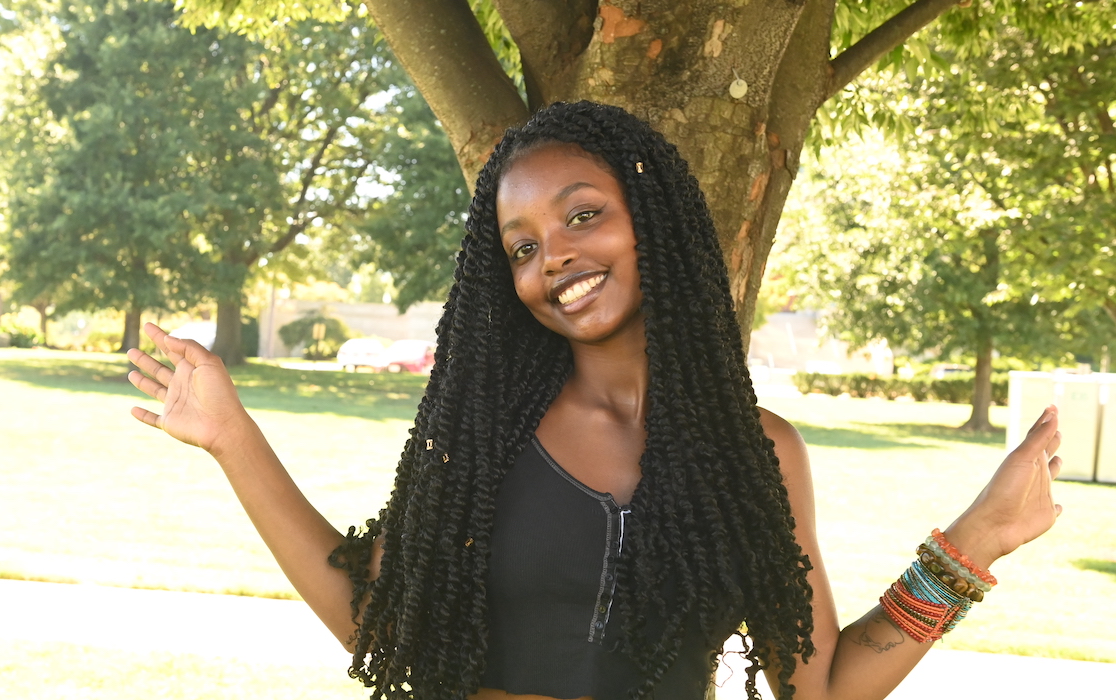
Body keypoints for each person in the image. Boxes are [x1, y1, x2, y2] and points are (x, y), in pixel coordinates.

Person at [126, 101, 1063, 700]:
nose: (555, 257)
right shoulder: (486, 439)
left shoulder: (760, 456)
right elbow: (381, 624)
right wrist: (233, 437)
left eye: (582, 215)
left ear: (650, 221)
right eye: (522, 245)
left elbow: (813, 695)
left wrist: (975, 539)